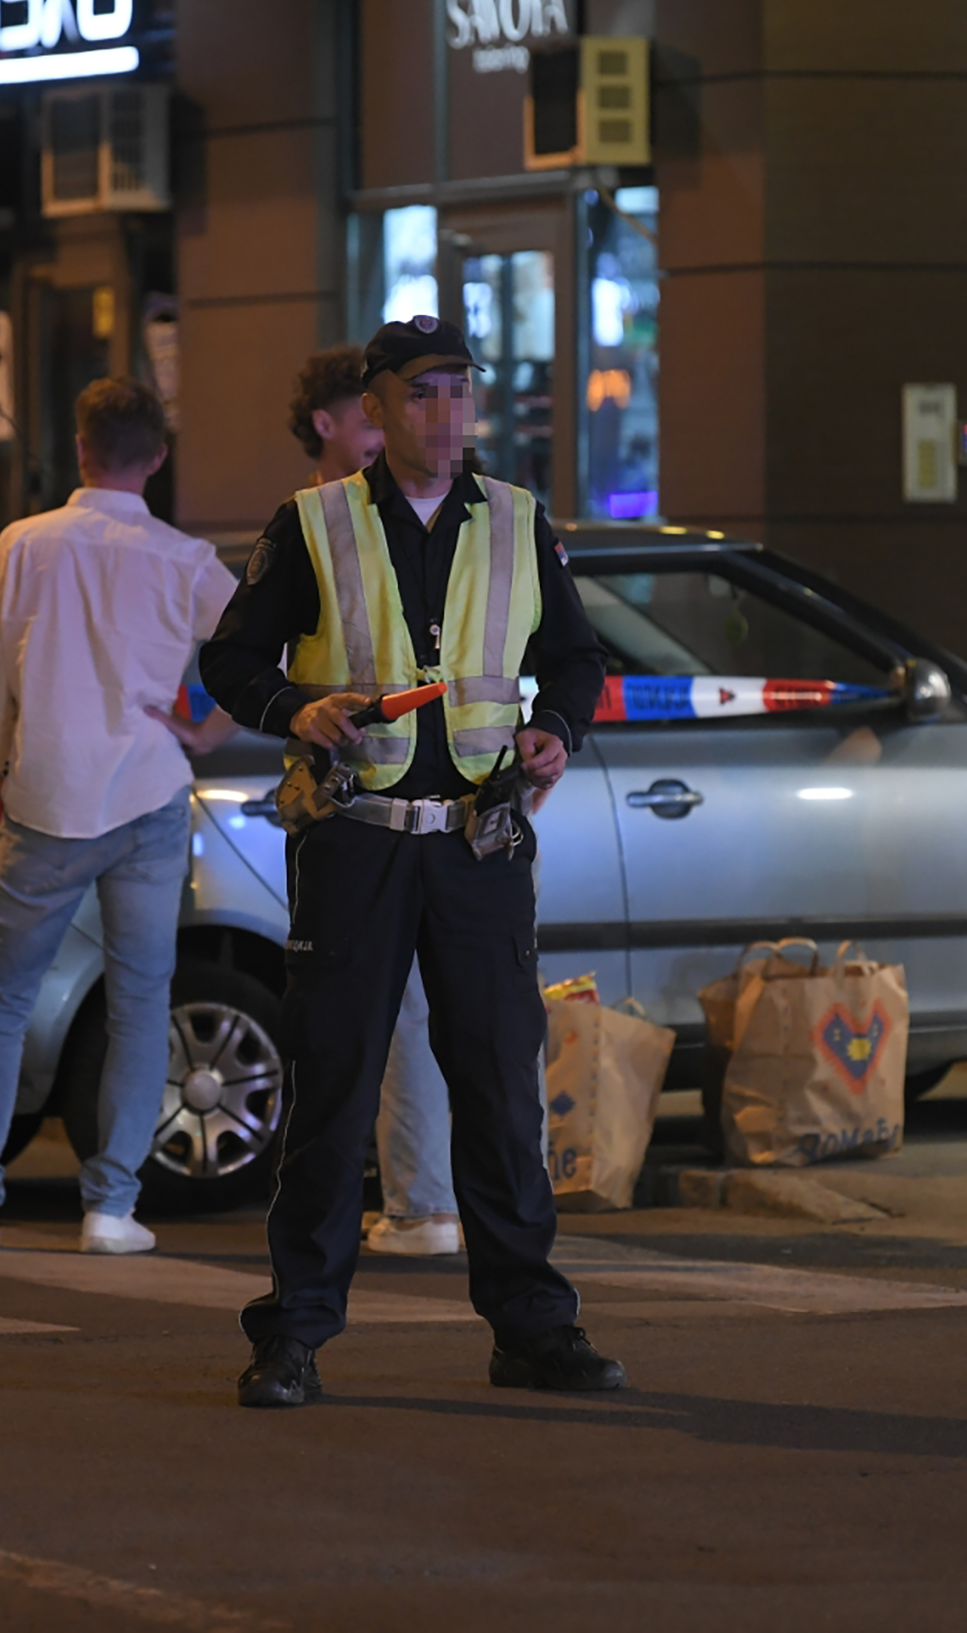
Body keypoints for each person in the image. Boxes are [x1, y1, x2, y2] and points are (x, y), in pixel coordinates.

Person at [203, 315, 624, 1407]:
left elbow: (573, 655)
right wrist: (299, 706)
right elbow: (231, 660)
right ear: (374, 409)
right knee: (332, 1084)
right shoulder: (314, 524)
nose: (448, 413)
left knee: (497, 1086)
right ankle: (292, 1332)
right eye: (424, 392)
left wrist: (557, 729)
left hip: (479, 842)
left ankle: (531, 1326)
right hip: (355, 841)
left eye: (462, 391)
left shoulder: (520, 523)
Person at [0, 377, 238, 1255]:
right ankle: (113, 1208)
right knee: (140, 1002)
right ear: (158, 459)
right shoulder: (185, 558)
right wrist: (205, 730)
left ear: (82, 446)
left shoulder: (26, 543)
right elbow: (268, 648)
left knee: (2, 999)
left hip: (47, 795)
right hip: (150, 791)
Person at [290, 344, 460, 1259]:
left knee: (404, 1015)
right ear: (335, 420)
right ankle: (409, 1201)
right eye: (381, 411)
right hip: (348, 809)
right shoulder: (312, 526)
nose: (400, 429)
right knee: (367, 1019)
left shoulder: (461, 518)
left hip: (423, 809)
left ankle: (423, 1203)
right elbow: (239, 661)